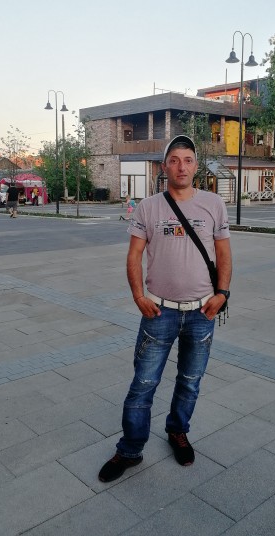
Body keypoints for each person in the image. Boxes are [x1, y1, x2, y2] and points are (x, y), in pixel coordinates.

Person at [98, 135, 232, 483]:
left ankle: (177, 430)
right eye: (174, 160)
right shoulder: (149, 207)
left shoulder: (214, 204)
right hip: (159, 312)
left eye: (187, 160)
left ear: (196, 166)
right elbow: (134, 255)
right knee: (143, 384)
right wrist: (138, 296)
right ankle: (130, 449)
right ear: (164, 167)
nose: (181, 167)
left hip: (202, 313)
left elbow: (223, 253)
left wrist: (222, 294)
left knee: (190, 381)